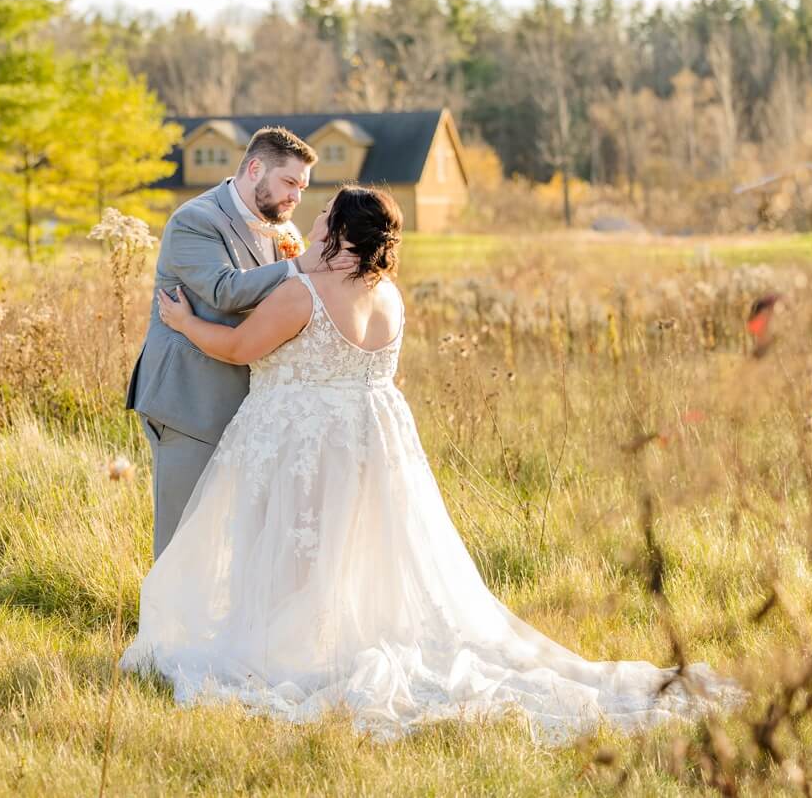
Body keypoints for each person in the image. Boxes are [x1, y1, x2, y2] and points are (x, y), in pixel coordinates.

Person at [122, 184, 740, 739]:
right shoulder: (388, 294)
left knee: (292, 551)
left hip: (302, 443)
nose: (313, 218)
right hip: (368, 442)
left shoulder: (298, 293)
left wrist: (181, 319)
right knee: (346, 553)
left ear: (339, 231)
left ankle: (286, 653)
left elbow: (234, 346)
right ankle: (323, 639)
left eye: (325, 213)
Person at [127, 126, 316, 559]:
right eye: (289, 183)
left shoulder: (277, 227)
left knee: (235, 547)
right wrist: (302, 265)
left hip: (248, 407)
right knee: (183, 544)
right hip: (189, 403)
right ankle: (166, 629)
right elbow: (225, 291)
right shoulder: (195, 220)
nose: (296, 198)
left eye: (302, 188)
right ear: (255, 169)